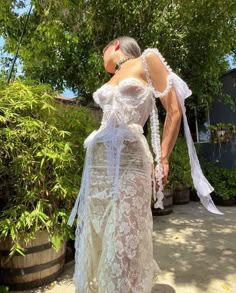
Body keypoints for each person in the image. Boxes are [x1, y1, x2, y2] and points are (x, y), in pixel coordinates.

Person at [68, 36, 223, 293]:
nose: (101, 55)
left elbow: (174, 110)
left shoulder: (147, 60)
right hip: (98, 168)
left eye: (103, 49)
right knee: (100, 235)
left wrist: (162, 158)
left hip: (131, 162)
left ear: (116, 45)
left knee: (123, 237)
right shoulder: (110, 80)